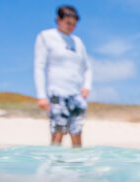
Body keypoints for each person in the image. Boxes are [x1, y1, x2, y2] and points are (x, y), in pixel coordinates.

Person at [34, 5, 92, 147]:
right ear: (58, 20)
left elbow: (88, 67)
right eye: (68, 23)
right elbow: (39, 67)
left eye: (74, 24)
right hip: (55, 92)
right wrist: (41, 95)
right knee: (58, 126)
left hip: (75, 94)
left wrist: (87, 86)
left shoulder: (77, 42)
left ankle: (77, 164)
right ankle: (53, 163)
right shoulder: (46, 36)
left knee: (76, 129)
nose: (71, 26)